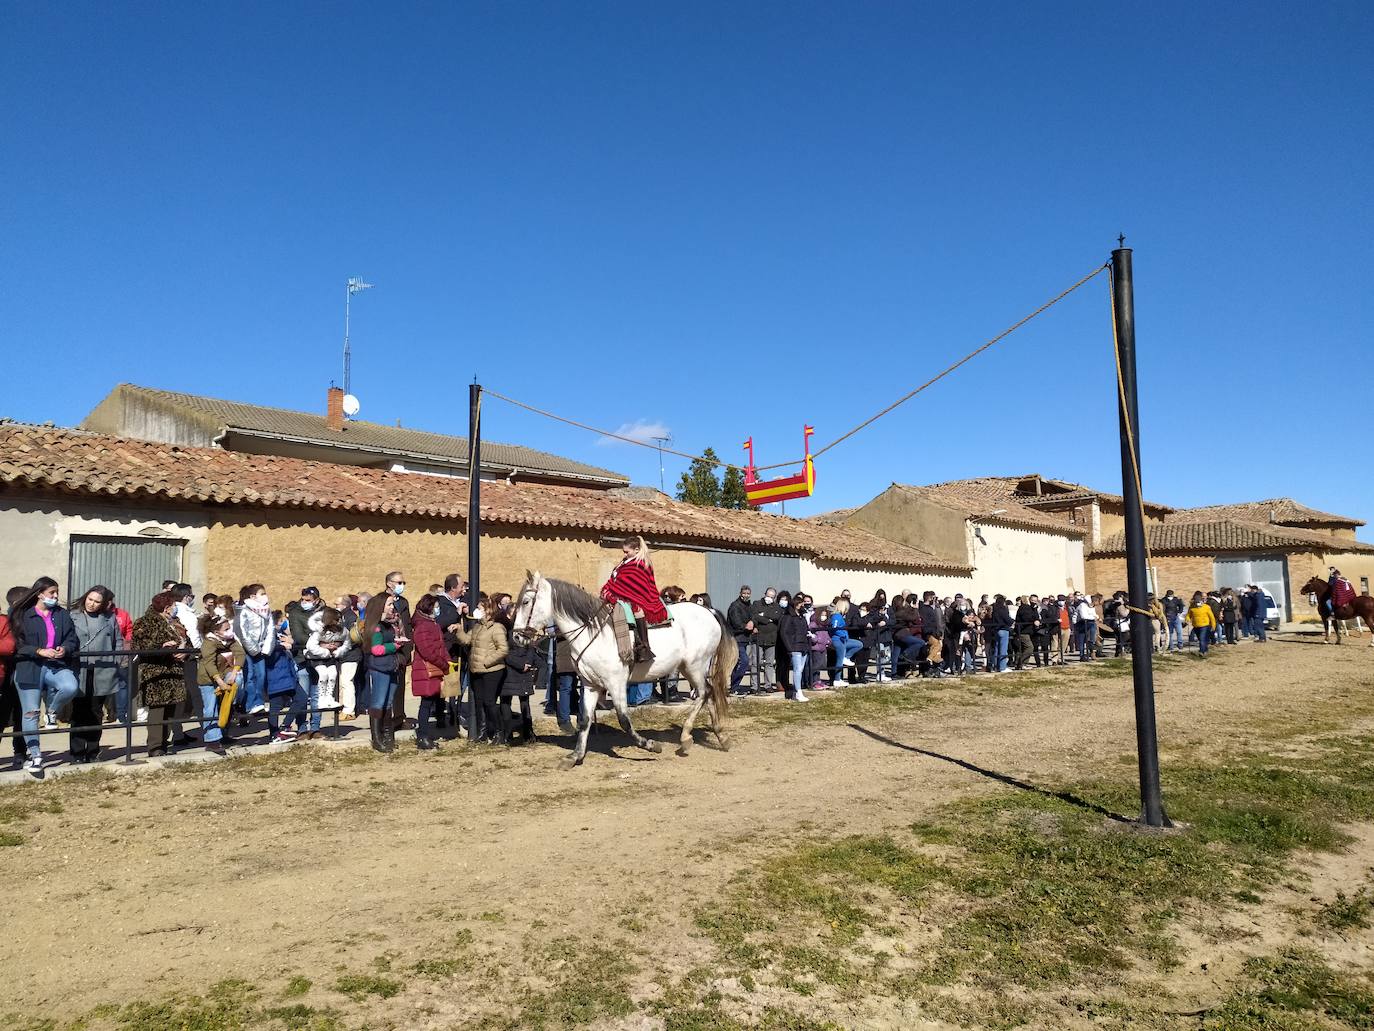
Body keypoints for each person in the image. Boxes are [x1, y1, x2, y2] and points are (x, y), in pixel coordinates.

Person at [9, 577, 81, 775]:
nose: (56, 596)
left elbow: (72, 639)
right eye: (52, 593)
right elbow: (17, 644)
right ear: (39, 593)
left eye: (57, 592)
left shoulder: (62, 614)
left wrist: (64, 649)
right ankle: (36, 755)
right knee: (30, 713)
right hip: (28, 668)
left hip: (55, 665)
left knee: (70, 686)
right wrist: (38, 651)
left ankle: (52, 711)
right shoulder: (22, 614)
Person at [130, 591, 189, 758]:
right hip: (156, 672)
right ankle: (155, 747)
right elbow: (141, 646)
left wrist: (185, 652)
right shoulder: (144, 622)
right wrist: (163, 647)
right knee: (158, 710)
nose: (176, 609)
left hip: (175, 672)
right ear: (166, 607)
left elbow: (188, 641)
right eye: (174, 606)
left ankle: (164, 743)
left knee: (171, 710)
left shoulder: (175, 623)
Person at [68, 586, 121, 763]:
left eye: (97, 601)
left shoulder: (109, 618)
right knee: (78, 712)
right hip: (79, 669)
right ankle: (76, 752)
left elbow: (117, 641)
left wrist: (117, 662)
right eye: (90, 599)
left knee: (96, 712)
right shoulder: (72, 615)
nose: (92, 604)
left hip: (103, 670)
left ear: (104, 603)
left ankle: (93, 751)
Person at [451, 593, 510, 743]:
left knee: (489, 702)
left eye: (479, 608)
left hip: (492, 670)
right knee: (479, 701)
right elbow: (467, 640)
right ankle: (482, 732)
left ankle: (498, 732)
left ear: (488, 610)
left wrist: (487, 661)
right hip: (476, 670)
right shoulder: (477, 626)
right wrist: (459, 630)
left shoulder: (497, 628)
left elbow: (503, 649)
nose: (476, 611)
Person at [600, 537, 667, 662]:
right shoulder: (624, 562)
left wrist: (616, 591)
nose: (625, 554)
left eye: (627, 552)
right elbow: (616, 579)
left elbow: (633, 585)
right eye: (624, 552)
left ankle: (644, 646)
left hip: (639, 597)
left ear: (636, 549)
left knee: (637, 610)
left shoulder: (640, 563)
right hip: (620, 595)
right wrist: (609, 590)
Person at [361, 592, 409, 753]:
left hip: (392, 665)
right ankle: (377, 738)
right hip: (380, 667)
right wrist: (394, 646)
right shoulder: (376, 627)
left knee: (388, 702)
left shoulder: (390, 624)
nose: (392, 607)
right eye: (389, 604)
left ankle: (388, 735)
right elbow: (376, 649)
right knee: (378, 702)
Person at [408, 594, 449, 750]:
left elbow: (441, 646)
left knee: (431, 701)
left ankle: (426, 736)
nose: (438, 609)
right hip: (427, 670)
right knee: (426, 704)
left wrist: (448, 660)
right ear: (430, 607)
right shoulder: (423, 626)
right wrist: (443, 664)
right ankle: (423, 737)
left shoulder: (433, 624)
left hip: (436, 668)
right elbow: (427, 651)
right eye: (437, 606)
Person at [195, 614, 237, 756]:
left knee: (223, 706)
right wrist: (219, 680)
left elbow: (240, 652)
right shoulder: (209, 642)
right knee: (210, 708)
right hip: (208, 679)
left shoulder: (227, 640)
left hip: (222, 675)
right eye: (226, 628)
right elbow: (208, 663)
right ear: (217, 631)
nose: (229, 630)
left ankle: (222, 734)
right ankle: (212, 740)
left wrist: (235, 671)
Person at [500, 609, 540, 746]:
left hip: (523, 672)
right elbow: (504, 652)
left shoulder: (525, 632)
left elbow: (531, 649)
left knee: (524, 703)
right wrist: (521, 664)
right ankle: (507, 732)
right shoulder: (506, 631)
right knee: (506, 702)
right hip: (510, 671)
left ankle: (527, 732)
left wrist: (527, 664)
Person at [306, 606, 354, 715]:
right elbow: (311, 646)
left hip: (331, 658)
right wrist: (325, 651)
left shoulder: (343, 631)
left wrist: (338, 651)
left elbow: (347, 644)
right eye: (337, 619)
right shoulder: (319, 631)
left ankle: (329, 697)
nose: (339, 621)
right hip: (317, 658)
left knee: (333, 674)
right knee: (323, 674)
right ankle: (321, 698)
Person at [778, 594, 811, 702]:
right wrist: (790, 647)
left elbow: (806, 629)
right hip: (795, 647)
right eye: (801, 603)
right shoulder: (788, 617)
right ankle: (798, 692)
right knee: (797, 670)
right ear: (796, 605)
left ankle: (797, 692)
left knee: (800, 669)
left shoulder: (801, 616)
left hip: (803, 645)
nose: (803, 605)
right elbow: (784, 632)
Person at [748, 588, 780, 696]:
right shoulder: (756, 604)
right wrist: (767, 619)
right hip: (758, 639)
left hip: (771, 639)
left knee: (770, 664)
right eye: (768, 595)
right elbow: (754, 616)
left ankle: (768, 685)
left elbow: (777, 616)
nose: (769, 598)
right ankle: (754, 686)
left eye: (772, 596)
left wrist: (763, 615)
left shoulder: (776, 606)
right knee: (755, 663)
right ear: (764, 594)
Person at [726, 586, 756, 696]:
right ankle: (734, 686)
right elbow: (736, 622)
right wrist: (746, 626)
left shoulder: (749, 606)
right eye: (744, 593)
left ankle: (734, 687)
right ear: (740, 593)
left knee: (739, 663)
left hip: (745, 638)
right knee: (744, 661)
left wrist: (753, 624)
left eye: (748, 593)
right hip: (736, 638)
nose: (746, 595)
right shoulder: (735, 606)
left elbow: (753, 617)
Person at [829, 601, 861, 683]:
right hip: (838, 640)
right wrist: (842, 634)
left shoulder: (840, 616)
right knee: (839, 660)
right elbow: (834, 628)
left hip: (844, 639)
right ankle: (837, 679)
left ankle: (846, 657)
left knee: (859, 644)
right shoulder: (836, 616)